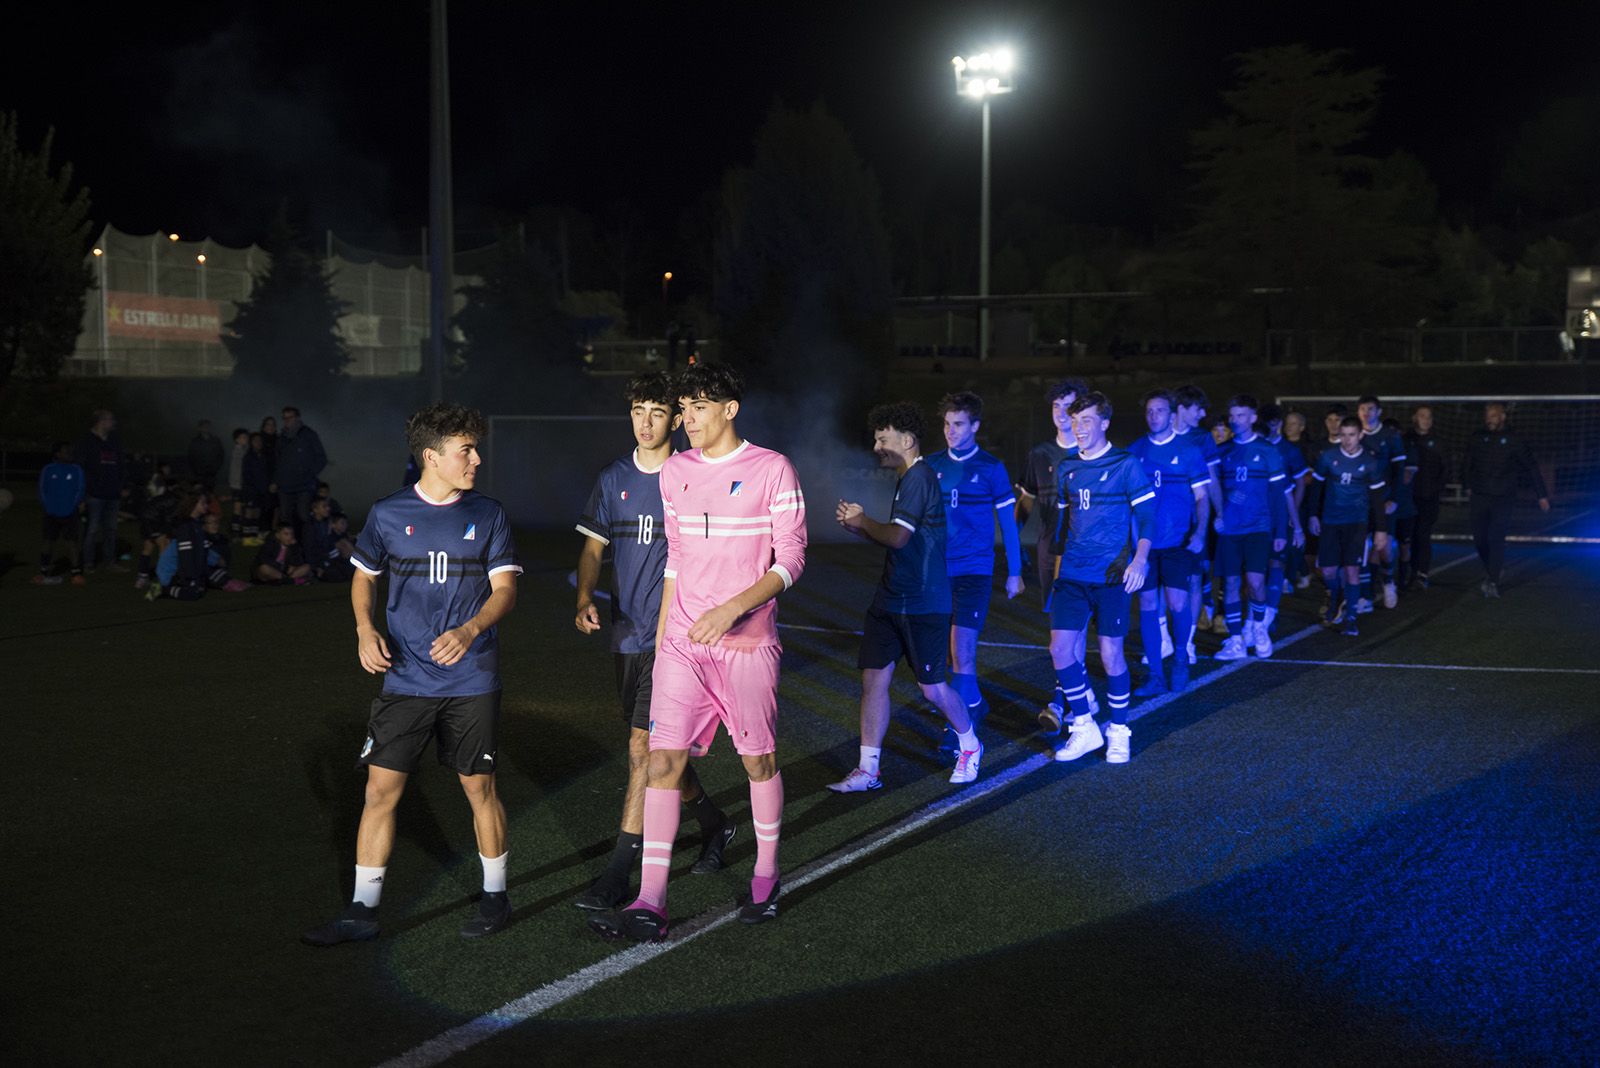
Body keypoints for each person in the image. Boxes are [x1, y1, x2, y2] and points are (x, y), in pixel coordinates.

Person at [587, 363, 806, 942]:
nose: (685, 421)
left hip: (747, 644)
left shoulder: (772, 468)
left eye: (697, 408)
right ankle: (649, 900)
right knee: (662, 762)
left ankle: (766, 873)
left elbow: (792, 559)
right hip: (682, 644)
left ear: (729, 409)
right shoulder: (676, 472)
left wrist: (733, 609)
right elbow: (677, 564)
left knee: (757, 761)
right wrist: (664, 644)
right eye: (682, 408)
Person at [303, 403, 522, 947]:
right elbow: (363, 578)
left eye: (474, 447)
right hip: (405, 679)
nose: (476, 458)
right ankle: (361, 910)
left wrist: (470, 631)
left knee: (479, 787)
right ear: (432, 456)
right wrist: (362, 629)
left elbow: (506, 591)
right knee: (380, 790)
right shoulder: (386, 513)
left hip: (471, 676)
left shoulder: (489, 513)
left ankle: (496, 896)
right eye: (464, 450)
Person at [572, 372, 732, 912]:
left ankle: (620, 874)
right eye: (638, 410)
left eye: (658, 412)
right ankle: (713, 823)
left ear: (675, 418)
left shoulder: (692, 476)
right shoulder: (612, 477)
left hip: (678, 639)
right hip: (626, 636)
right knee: (661, 751)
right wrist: (585, 596)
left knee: (644, 751)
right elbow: (593, 549)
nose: (646, 422)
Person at [828, 401, 986, 794]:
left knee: (932, 688)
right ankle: (868, 769)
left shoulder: (919, 477)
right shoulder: (907, 478)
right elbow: (898, 540)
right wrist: (862, 529)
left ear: (908, 440)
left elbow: (899, 537)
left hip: (923, 602)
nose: (877, 446)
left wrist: (864, 521)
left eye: (884, 439)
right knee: (873, 681)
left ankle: (970, 743)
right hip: (890, 600)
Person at [1049, 392, 1155, 764]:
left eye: (1087, 421)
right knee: (1060, 649)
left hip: (1113, 576)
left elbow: (1146, 519)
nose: (1078, 428)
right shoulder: (1065, 468)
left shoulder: (1127, 465)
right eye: (1074, 421)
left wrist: (1140, 560)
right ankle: (1084, 725)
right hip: (1073, 575)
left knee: (1111, 655)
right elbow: (1062, 527)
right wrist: (1057, 574)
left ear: (1105, 423)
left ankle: (1119, 730)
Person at [924, 391, 1023, 727]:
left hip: (974, 571)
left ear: (975, 426)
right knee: (943, 656)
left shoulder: (992, 469)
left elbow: (1008, 525)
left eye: (959, 424)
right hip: (937, 573)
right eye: (948, 424)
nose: (951, 430)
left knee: (962, 654)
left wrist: (1015, 571)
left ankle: (960, 734)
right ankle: (974, 703)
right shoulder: (931, 465)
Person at [1126, 391, 1210, 695]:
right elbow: (1129, 503)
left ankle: (1179, 660)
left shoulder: (1188, 450)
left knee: (1177, 602)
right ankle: (1155, 675)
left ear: (1171, 414)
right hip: (1146, 544)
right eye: (1149, 411)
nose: (1153, 416)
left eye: (1159, 410)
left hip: (1178, 542)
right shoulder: (1135, 451)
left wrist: (1200, 532)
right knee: (1148, 604)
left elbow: (1202, 497)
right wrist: (1136, 548)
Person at [1212, 395, 1291, 660]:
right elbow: (1212, 489)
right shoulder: (1222, 452)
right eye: (1232, 416)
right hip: (1230, 531)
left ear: (1253, 418)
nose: (1235, 421)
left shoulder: (1268, 451)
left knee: (1255, 583)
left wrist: (1281, 532)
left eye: (1241, 415)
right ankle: (1235, 640)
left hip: (1259, 527)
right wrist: (1219, 512)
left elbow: (1278, 494)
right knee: (1231, 583)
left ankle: (1258, 628)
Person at [1307, 417, 1390, 636]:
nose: (1347, 440)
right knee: (1328, 571)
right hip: (1331, 521)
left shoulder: (1370, 461)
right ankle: (1337, 597)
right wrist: (1313, 515)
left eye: (1352, 435)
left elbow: (1377, 498)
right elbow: (1316, 488)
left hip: (1357, 523)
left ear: (1361, 435)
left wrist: (1381, 529)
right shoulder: (1328, 457)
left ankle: (1351, 618)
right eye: (1343, 434)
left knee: (1352, 570)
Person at [1462, 401, 1550, 598]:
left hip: (1504, 497)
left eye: (1493, 415)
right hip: (1480, 495)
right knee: (1479, 539)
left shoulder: (1514, 439)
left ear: (1503, 417)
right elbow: (1467, 463)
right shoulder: (1477, 437)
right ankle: (1492, 568)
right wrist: (1466, 485)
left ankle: (1492, 581)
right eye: (1487, 415)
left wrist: (1541, 495)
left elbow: (1531, 467)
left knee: (1496, 537)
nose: (1489, 419)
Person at [1015, 378, 1087, 606]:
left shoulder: (1093, 453)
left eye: (1068, 406)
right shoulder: (1039, 454)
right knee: (1056, 618)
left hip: (1083, 550)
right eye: (1056, 405)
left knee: (1077, 619)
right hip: (1048, 548)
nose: (1061, 412)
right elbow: (1027, 501)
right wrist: (1012, 538)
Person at [1172, 385, 1225, 656]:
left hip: (1193, 520)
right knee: (1160, 584)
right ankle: (1163, 639)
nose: (1203, 414)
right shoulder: (1160, 433)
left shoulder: (1202, 438)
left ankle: (1188, 641)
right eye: (1198, 408)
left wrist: (1221, 511)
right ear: (1181, 408)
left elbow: (1212, 478)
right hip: (1164, 521)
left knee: (1193, 579)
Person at [1258, 403, 1312, 635]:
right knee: (1256, 570)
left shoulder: (1289, 450)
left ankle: (1272, 612)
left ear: (1279, 424)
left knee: (1276, 563)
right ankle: (1257, 613)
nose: (1270, 426)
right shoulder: (1254, 447)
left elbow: (1298, 484)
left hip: (1280, 517)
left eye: (1274, 422)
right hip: (1256, 519)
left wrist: (1293, 514)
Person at [1356, 395, 1408, 611]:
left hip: (1384, 501)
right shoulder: (1354, 435)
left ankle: (1388, 581)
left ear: (1379, 412)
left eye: (1371, 409)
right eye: (1362, 409)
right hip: (1360, 501)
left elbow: (1399, 472)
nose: (1367, 413)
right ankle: (1365, 596)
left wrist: (1394, 499)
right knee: (1362, 546)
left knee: (1383, 546)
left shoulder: (1390, 437)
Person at [1404, 406, 1448, 589]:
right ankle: (1408, 573)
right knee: (1408, 536)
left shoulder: (1438, 442)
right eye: (1422, 416)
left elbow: (1445, 469)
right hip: (1409, 497)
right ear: (1415, 417)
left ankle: (1422, 573)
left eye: (1429, 416)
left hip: (1428, 497)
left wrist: (1436, 489)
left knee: (1423, 534)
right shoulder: (1406, 440)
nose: (1426, 419)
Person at [76, 409, 126, 571]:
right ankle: (88, 562)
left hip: (112, 492)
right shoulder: (87, 441)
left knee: (110, 529)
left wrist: (121, 486)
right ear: (101, 421)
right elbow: (81, 467)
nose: (113, 423)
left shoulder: (114, 440)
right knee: (92, 529)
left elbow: (120, 464)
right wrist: (84, 493)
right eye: (110, 419)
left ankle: (109, 561)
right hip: (94, 493)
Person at [272, 406, 327, 540]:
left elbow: (321, 457)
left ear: (297, 418)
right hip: (285, 485)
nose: (286, 421)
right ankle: (289, 544)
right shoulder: (282, 438)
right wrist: (275, 480)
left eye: (289, 417)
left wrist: (309, 474)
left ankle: (308, 541)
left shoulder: (308, 435)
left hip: (304, 485)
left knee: (303, 515)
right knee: (286, 516)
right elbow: (277, 461)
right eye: (284, 418)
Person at [35, 442, 86, 585]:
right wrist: (48, 506)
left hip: (70, 513)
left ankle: (76, 573)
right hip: (51, 513)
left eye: (70, 451)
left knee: (71, 543)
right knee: (48, 541)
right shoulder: (48, 469)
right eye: (66, 451)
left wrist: (72, 506)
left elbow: (80, 489)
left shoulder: (76, 469)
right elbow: (41, 489)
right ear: (57, 454)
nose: (69, 453)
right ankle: (43, 571)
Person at [240, 432, 271, 544]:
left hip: (262, 491)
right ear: (251, 443)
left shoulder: (264, 456)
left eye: (260, 441)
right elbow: (246, 475)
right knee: (249, 513)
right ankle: (247, 538)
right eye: (255, 441)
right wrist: (251, 489)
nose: (258, 443)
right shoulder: (248, 457)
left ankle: (254, 536)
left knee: (257, 513)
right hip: (251, 490)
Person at [186, 419, 225, 492]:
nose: (206, 428)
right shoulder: (195, 441)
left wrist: (215, 468)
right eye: (203, 426)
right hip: (199, 473)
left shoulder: (216, 440)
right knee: (200, 492)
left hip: (212, 472)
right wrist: (196, 470)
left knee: (210, 492)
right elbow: (191, 457)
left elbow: (221, 455)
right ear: (199, 428)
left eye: (207, 426)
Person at [226, 428, 249, 537]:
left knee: (240, 507)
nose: (246, 439)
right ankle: (235, 530)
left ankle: (237, 529)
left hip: (238, 484)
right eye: (243, 437)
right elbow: (239, 470)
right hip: (238, 484)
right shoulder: (238, 451)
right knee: (238, 508)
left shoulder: (242, 450)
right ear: (237, 439)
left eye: (246, 437)